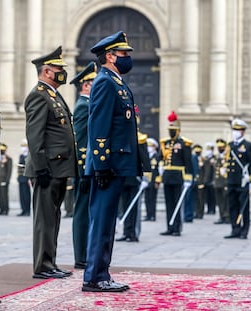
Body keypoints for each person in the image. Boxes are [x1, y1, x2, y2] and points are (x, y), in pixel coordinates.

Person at [83, 31, 140, 292]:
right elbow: (99, 125)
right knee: (103, 221)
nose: (128, 58)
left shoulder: (114, 80)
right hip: (109, 164)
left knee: (108, 221)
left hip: (117, 163)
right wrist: (101, 163)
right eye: (123, 54)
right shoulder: (105, 82)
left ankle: (101, 273)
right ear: (110, 56)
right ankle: (94, 277)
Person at [24, 46, 76, 279]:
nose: (62, 72)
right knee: (44, 219)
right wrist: (41, 167)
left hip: (58, 167)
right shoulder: (38, 95)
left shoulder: (52, 95)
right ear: (46, 71)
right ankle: (42, 266)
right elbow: (35, 136)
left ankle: (50, 262)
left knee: (53, 217)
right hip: (47, 168)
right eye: (58, 69)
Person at [70, 61, 97, 269]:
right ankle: (81, 256)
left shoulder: (89, 105)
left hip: (90, 167)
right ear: (86, 85)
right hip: (85, 168)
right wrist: (84, 169)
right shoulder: (82, 106)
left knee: (88, 210)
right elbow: (80, 141)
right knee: (81, 210)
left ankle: (86, 253)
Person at [159, 111, 193, 236]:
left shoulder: (184, 144)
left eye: (173, 129)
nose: (171, 132)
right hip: (167, 176)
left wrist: (188, 178)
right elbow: (161, 159)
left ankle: (177, 227)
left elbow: (188, 162)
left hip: (178, 176)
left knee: (177, 203)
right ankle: (170, 226)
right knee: (169, 203)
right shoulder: (165, 143)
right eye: (170, 129)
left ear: (178, 130)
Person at [224, 119, 251, 240]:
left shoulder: (249, 146)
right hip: (232, 180)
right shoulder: (231, 145)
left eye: (238, 130)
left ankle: (244, 230)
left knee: (244, 206)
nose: (235, 132)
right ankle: (235, 228)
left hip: (243, 181)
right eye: (234, 130)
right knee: (232, 205)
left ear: (243, 132)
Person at [116, 130, 150, 243]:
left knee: (135, 207)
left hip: (135, 178)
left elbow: (145, 158)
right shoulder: (121, 135)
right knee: (124, 207)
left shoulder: (140, 138)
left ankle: (134, 233)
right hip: (123, 177)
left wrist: (146, 177)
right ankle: (126, 232)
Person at [143, 137, 161, 221]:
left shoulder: (157, 156)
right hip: (147, 181)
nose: (148, 148)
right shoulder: (146, 156)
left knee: (152, 199)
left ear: (155, 147)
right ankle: (148, 214)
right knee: (147, 198)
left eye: (150, 146)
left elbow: (159, 170)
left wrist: (157, 181)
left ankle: (153, 215)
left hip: (154, 181)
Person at [213, 139, 229, 224]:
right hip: (218, 182)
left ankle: (227, 216)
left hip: (224, 182)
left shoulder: (227, 157)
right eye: (218, 147)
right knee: (219, 201)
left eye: (221, 147)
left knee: (226, 200)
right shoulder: (217, 157)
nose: (220, 149)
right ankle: (221, 215)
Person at [200, 142, 216, 215]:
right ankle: (208, 209)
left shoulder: (214, 158)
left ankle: (212, 209)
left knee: (212, 196)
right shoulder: (205, 158)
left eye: (210, 149)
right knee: (207, 196)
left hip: (212, 179)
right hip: (206, 180)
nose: (208, 151)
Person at [187, 144, 201, 221]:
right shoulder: (186, 157)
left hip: (191, 181)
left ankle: (189, 215)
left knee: (190, 199)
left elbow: (195, 169)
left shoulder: (193, 157)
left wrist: (195, 180)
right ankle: (187, 215)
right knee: (186, 199)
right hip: (185, 181)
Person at [17, 139, 31, 216]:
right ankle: (23, 210)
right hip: (21, 178)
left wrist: (29, 178)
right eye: (22, 146)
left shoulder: (29, 155)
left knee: (26, 195)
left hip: (26, 178)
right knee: (22, 195)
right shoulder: (21, 156)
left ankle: (27, 210)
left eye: (25, 146)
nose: (23, 148)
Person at [0, 143, 13, 215]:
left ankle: (6, 210)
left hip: (4, 180)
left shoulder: (8, 159)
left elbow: (9, 171)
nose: (1, 151)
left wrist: (7, 180)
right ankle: (1, 209)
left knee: (4, 196)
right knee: (0, 196)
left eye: (3, 150)